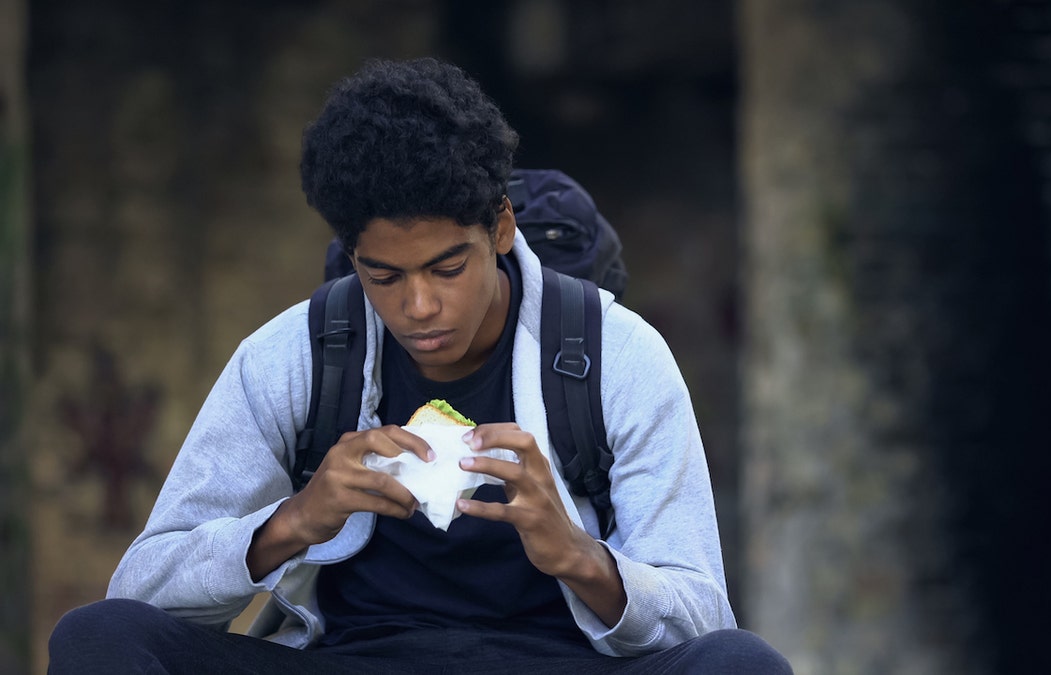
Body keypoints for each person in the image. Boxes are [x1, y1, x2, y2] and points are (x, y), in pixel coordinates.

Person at [48, 57, 792, 674]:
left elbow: (703, 612)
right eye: (385, 276)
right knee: (97, 638)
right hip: (352, 657)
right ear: (353, 257)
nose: (420, 306)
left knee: (741, 664)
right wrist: (294, 521)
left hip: (560, 661)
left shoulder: (617, 354)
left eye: (447, 267)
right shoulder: (296, 353)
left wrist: (578, 554)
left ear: (500, 225)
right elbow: (141, 588)